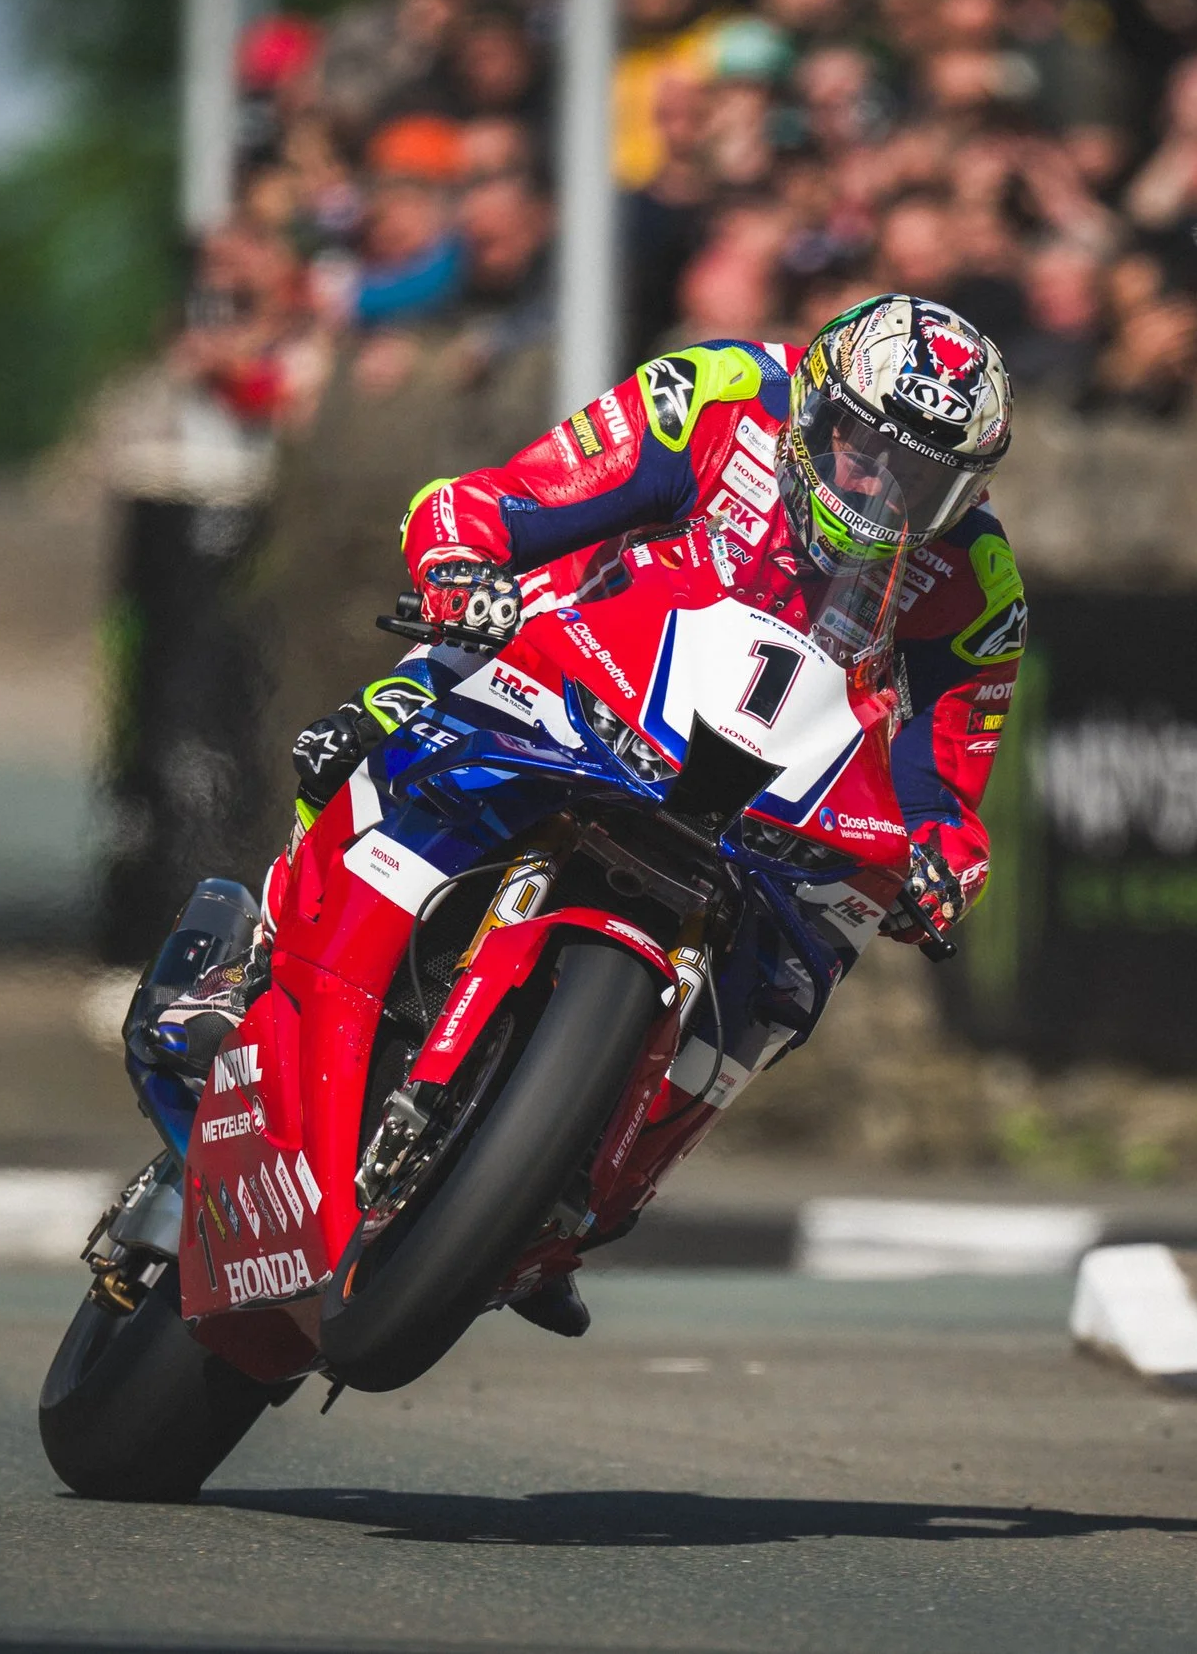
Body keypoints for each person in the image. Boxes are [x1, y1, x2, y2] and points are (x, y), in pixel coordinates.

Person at [156, 297, 1026, 1322]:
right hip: (578, 664)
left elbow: (946, 779)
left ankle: (569, 1179)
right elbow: (515, 496)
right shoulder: (717, 393)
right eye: (865, 448)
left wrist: (940, 863)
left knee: (802, 966)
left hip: (766, 788)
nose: (881, 486)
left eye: (923, 476)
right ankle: (242, 969)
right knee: (376, 722)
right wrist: (464, 564)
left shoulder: (977, 583)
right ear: (817, 404)